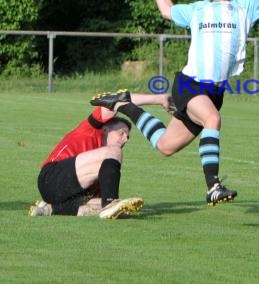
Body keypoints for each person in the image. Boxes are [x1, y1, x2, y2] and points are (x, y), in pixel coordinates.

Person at [91, 0, 259, 205]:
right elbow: (166, 9)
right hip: (189, 84)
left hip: (215, 92)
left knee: (166, 146)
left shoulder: (245, 7)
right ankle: (213, 186)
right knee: (213, 119)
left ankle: (125, 104)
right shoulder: (198, 10)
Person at [29, 93, 172, 218]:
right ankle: (111, 203)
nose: (125, 139)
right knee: (114, 156)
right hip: (51, 177)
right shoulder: (90, 129)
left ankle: (50, 209)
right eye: (121, 133)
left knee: (106, 205)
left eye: (127, 137)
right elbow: (118, 99)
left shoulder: (105, 163)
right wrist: (159, 99)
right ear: (105, 128)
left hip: (63, 194)